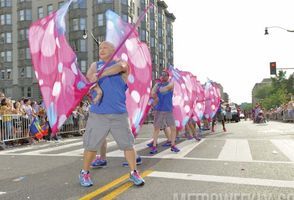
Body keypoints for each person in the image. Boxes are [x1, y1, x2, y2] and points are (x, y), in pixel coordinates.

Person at [79, 41, 144, 187]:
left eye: (105, 47)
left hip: (119, 114)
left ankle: (134, 172)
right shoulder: (95, 65)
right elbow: (90, 78)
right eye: (100, 47)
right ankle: (84, 173)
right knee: (91, 145)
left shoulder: (121, 64)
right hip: (98, 113)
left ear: (114, 50)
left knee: (128, 145)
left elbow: (120, 68)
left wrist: (101, 74)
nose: (101, 49)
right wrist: (98, 89)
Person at [149, 70, 180, 154]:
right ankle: (154, 146)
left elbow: (164, 89)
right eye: (162, 75)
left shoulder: (171, 84)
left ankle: (173, 145)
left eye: (165, 75)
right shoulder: (158, 84)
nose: (163, 76)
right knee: (157, 128)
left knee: (173, 128)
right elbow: (152, 94)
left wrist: (157, 91)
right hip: (159, 109)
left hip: (168, 109)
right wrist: (155, 93)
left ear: (168, 76)